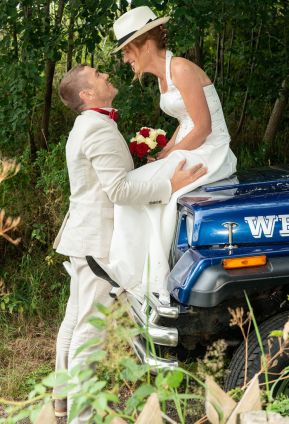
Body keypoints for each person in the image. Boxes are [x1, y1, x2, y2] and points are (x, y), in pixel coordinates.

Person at [52, 64, 206, 422]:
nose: (106, 75)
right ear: (87, 94)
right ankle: (81, 416)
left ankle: (61, 403)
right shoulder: (97, 129)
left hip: (83, 237)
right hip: (98, 242)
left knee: (74, 322)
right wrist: (171, 184)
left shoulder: (90, 125)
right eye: (98, 76)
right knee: (89, 334)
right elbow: (118, 190)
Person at [95, 6, 237, 303]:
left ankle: (146, 277)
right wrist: (165, 153)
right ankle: (130, 270)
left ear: (144, 44)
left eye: (126, 50)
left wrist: (172, 156)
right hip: (194, 142)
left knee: (141, 187)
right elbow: (184, 122)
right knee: (137, 183)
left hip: (210, 150)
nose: (124, 58)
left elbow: (203, 127)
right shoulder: (165, 77)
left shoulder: (181, 69)